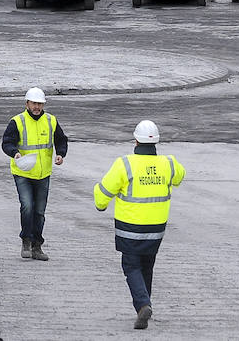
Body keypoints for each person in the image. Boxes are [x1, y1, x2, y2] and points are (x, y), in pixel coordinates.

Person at [93, 120, 186, 330]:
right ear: (156, 142)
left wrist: (100, 204)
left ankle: (143, 304)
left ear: (135, 140)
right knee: (147, 265)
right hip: (156, 230)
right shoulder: (168, 163)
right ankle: (146, 305)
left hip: (130, 229)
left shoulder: (124, 164)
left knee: (131, 266)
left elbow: (104, 192)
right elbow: (180, 176)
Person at [0, 87, 67, 261]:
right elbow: (6, 142)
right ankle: (26, 240)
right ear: (27, 104)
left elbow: (61, 139)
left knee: (39, 211)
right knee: (27, 205)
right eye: (34, 103)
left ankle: (37, 245)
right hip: (22, 171)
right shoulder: (17, 121)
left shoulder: (51, 120)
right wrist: (14, 152)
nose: (37, 107)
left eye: (40, 104)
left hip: (43, 173)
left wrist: (60, 153)